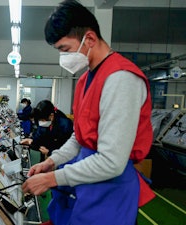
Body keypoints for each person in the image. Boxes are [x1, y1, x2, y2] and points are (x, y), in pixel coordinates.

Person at [21, 1, 154, 225]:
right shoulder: (85, 80)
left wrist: (52, 178)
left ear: (90, 39)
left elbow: (112, 162)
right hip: (86, 180)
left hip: (109, 191)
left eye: (65, 49)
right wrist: (52, 162)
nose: (63, 57)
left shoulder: (121, 79)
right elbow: (80, 137)